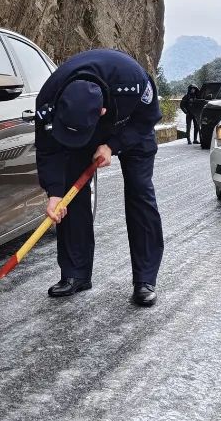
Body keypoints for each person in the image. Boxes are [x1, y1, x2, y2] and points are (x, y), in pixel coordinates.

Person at [33, 48, 164, 307]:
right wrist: (54, 193)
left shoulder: (133, 81)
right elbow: (48, 149)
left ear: (102, 111)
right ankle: (76, 274)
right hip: (83, 131)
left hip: (132, 126)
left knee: (139, 190)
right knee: (71, 195)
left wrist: (113, 145)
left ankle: (145, 279)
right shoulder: (48, 98)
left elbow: (148, 118)